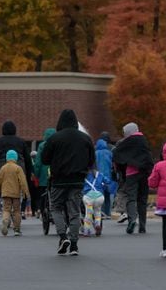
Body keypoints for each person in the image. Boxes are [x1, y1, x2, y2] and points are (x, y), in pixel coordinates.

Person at [41, 109, 95, 256]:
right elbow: (91, 160)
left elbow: (45, 159)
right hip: (77, 180)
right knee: (74, 212)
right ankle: (74, 244)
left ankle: (63, 236)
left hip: (59, 180)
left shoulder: (54, 138)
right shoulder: (85, 139)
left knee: (56, 208)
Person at [113, 122, 154, 235]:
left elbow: (116, 153)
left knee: (131, 198)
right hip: (144, 173)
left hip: (131, 174)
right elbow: (148, 157)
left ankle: (132, 220)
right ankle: (142, 226)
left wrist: (125, 164)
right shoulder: (143, 141)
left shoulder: (127, 142)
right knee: (142, 199)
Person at [0, 121, 34, 214]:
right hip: (19, 167)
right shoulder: (21, 141)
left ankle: (5, 209)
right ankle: (19, 209)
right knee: (19, 189)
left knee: (4, 189)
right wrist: (29, 173)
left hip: (3, 167)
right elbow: (27, 159)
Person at [0, 150, 30, 236]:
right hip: (16, 194)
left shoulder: (3, 168)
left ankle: (5, 221)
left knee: (6, 209)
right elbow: (23, 181)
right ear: (16, 158)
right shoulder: (18, 168)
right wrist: (26, 192)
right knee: (16, 210)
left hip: (5, 193)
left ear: (7, 157)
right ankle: (17, 229)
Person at [33, 127, 55, 217]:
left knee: (43, 195)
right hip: (55, 173)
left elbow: (38, 162)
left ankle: (43, 213)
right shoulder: (58, 144)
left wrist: (36, 175)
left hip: (43, 176)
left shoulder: (42, 146)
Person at [82, 168, 109, 237]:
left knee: (88, 214)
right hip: (99, 197)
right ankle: (97, 224)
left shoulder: (83, 175)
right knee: (97, 212)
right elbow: (107, 181)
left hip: (88, 197)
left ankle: (86, 231)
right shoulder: (99, 174)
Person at [95, 137, 115, 219]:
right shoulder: (109, 153)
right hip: (108, 177)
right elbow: (113, 164)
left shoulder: (95, 153)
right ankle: (108, 213)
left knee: (100, 195)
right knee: (107, 196)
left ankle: (101, 212)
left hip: (98, 177)